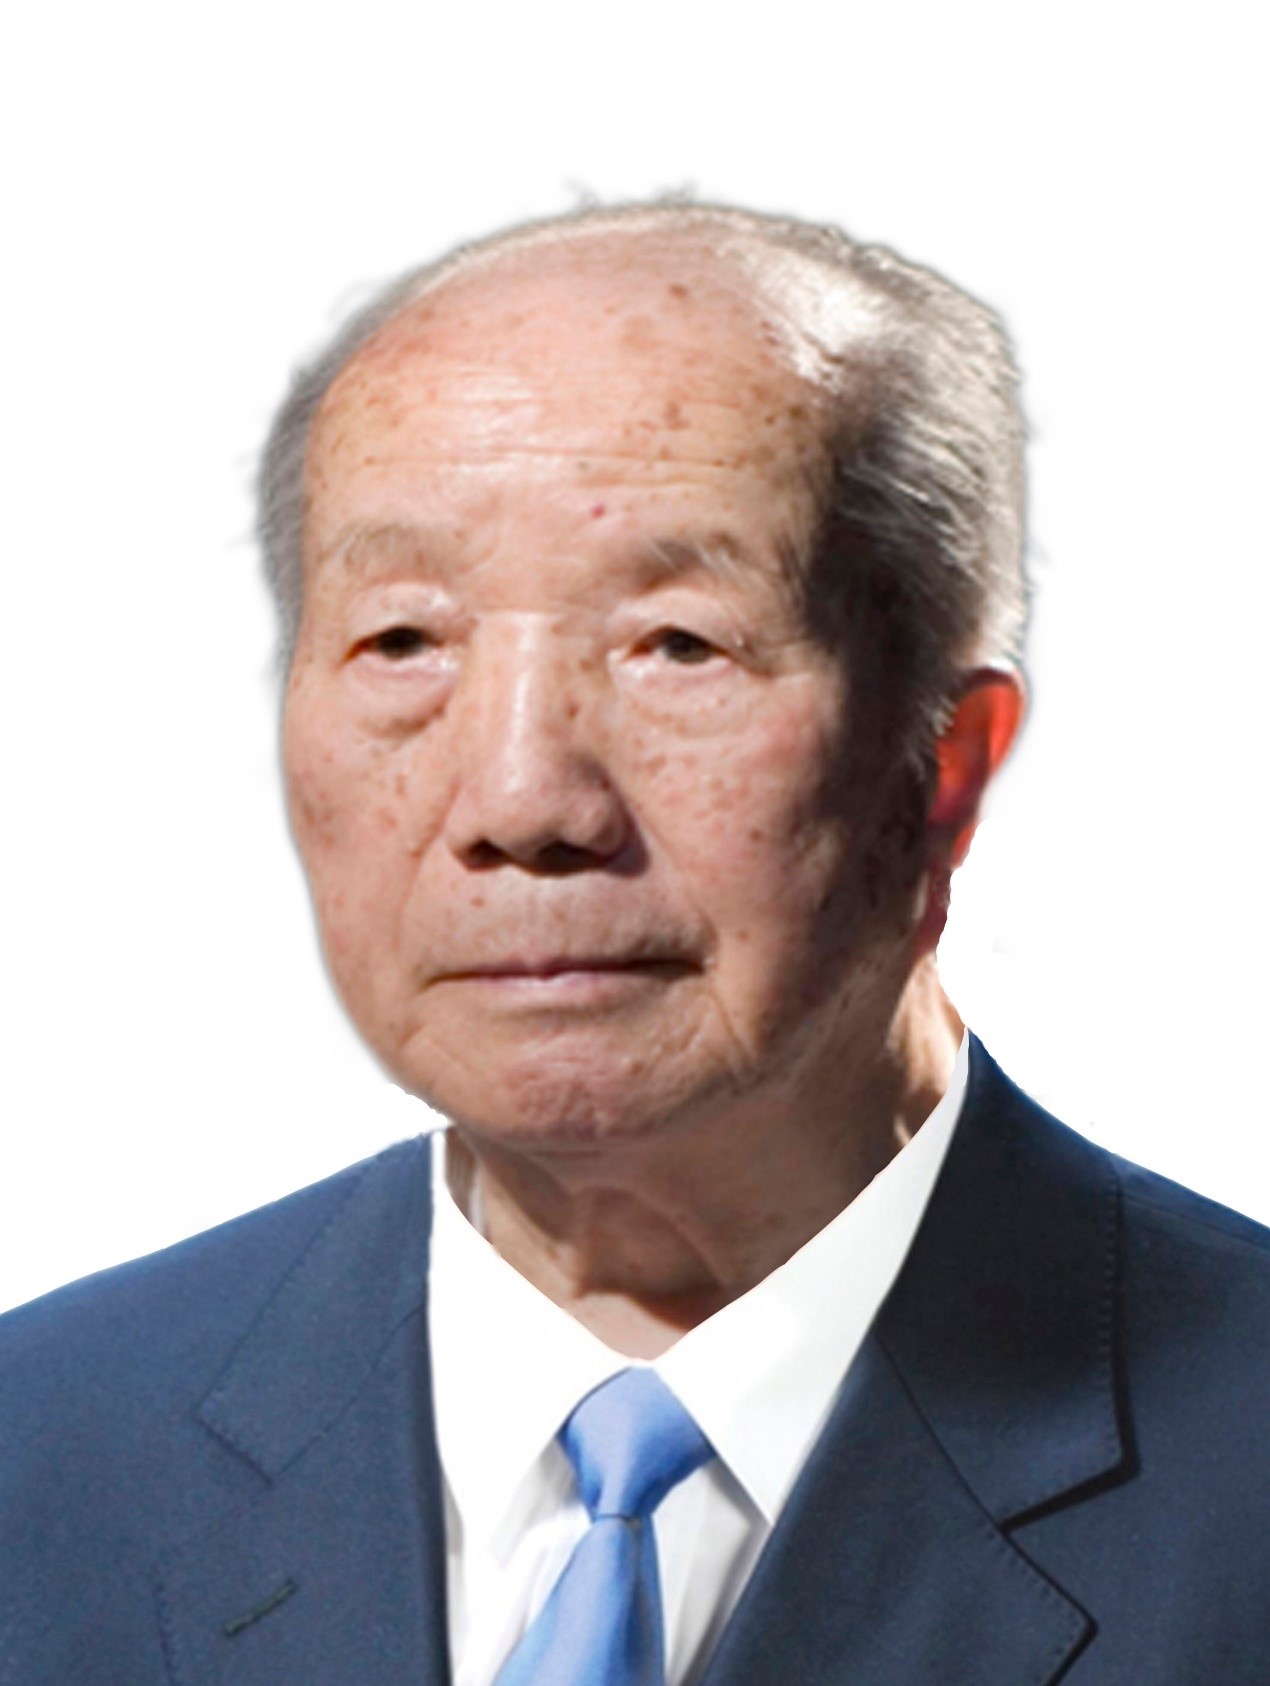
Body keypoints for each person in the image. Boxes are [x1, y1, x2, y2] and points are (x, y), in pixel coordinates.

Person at [1, 201, 1267, 1686]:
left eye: (678, 644)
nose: (522, 803)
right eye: (403, 642)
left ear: (945, 764)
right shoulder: (45, 1451)